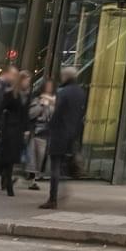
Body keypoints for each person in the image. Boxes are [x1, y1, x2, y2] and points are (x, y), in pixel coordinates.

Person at [41, 65, 86, 211]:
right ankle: (61, 190)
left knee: (55, 165)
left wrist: (49, 128)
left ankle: (53, 198)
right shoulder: (80, 92)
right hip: (72, 133)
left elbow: (58, 113)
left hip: (60, 132)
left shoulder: (63, 92)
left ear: (65, 77)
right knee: (63, 164)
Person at [0, 70, 30, 197]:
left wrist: (26, 129)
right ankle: (9, 187)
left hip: (18, 130)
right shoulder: (10, 94)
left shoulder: (26, 95)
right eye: (27, 80)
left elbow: (25, 114)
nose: (28, 83)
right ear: (21, 80)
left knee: (7, 159)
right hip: (9, 129)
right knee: (9, 158)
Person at [26, 77, 55, 187]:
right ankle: (32, 178)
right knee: (34, 156)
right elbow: (31, 114)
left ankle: (38, 176)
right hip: (37, 130)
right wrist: (41, 106)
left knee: (42, 156)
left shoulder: (54, 100)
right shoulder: (37, 99)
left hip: (47, 131)